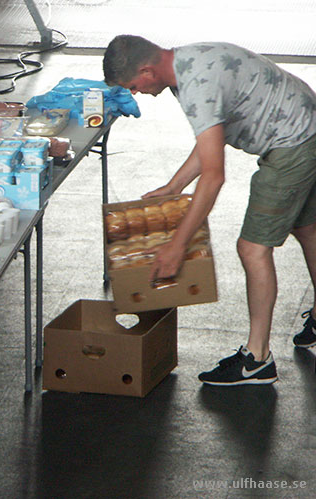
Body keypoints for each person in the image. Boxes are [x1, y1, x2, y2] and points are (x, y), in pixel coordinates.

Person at [102, 35, 316, 386]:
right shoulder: (187, 62)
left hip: (291, 143)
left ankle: (257, 359)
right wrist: (174, 186)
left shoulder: (195, 86)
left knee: (252, 248)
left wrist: (177, 245)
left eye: (133, 86)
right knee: (308, 228)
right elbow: (213, 136)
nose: (136, 93)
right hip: (307, 119)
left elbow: (215, 176)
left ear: (146, 70)